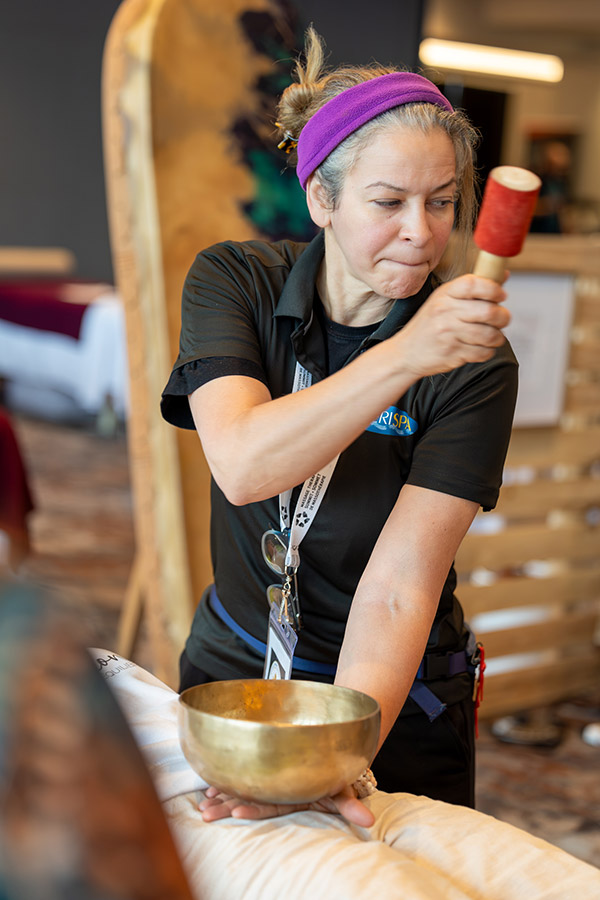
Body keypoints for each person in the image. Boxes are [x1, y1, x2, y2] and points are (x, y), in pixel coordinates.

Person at [160, 28, 518, 826]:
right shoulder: (235, 281)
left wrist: (339, 757)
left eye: (442, 201)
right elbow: (245, 464)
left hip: (384, 695)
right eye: (389, 202)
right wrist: (403, 356)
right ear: (322, 200)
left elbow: (399, 590)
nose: (421, 231)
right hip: (236, 668)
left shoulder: (475, 361)